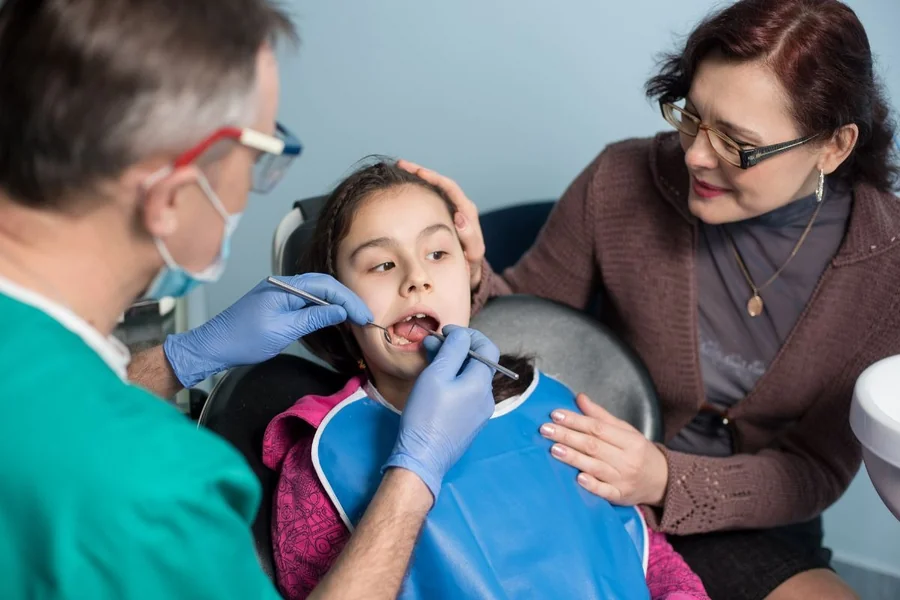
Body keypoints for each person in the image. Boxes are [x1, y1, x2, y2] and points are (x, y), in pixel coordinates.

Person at [398, 0, 900, 598]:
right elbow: (515, 332)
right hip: (579, 481)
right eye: (692, 116)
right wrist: (467, 271)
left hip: (743, 518)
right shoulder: (619, 179)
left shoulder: (886, 270)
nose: (695, 155)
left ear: (834, 147)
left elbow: (813, 471)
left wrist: (664, 477)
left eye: (737, 143)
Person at [0, 1, 498, 598]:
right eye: (260, 156)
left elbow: (48, 412)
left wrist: (182, 357)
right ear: (175, 197)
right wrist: (414, 475)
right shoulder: (161, 493)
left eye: (437, 254)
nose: (416, 279)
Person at [263, 160, 710, 600]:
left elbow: (649, 559)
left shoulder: (554, 407)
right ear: (336, 305)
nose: (417, 278)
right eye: (382, 265)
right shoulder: (322, 462)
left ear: (470, 274)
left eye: (437, 254)